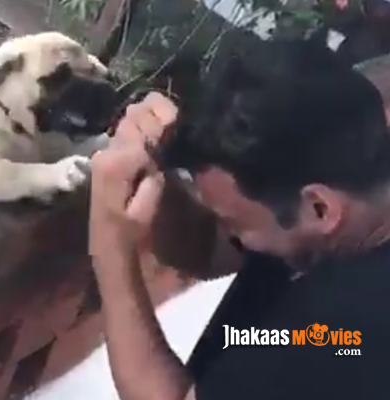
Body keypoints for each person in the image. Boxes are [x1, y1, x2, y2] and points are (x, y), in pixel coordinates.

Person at [89, 37, 390, 400]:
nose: (230, 235)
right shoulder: (342, 189)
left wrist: (109, 248)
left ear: (319, 209)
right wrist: (153, 173)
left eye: (235, 224)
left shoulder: (344, 330)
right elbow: (205, 249)